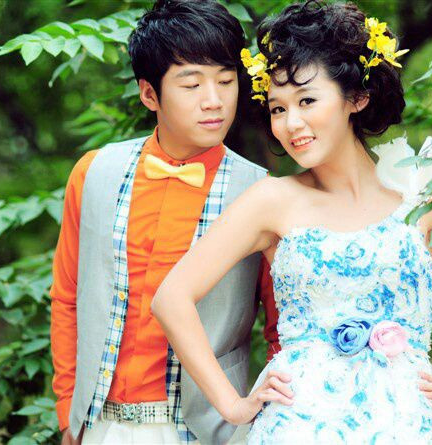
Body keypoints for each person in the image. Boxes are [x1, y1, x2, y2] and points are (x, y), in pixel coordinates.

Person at [151, 1, 432, 444]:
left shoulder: (424, 201)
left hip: (406, 428)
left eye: (307, 101)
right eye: (277, 109)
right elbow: (172, 298)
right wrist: (234, 405)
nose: (291, 123)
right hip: (297, 428)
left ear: (357, 97)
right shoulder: (272, 201)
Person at [49, 1, 281, 444]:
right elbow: (67, 298)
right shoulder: (93, 173)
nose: (214, 101)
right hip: (99, 424)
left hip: (210, 428)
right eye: (191, 84)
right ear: (149, 94)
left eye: (226, 81)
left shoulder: (263, 194)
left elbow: (282, 330)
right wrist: (68, 415)